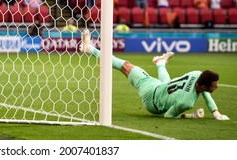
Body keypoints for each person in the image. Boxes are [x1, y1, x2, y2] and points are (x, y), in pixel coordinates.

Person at [80, 30, 230, 120]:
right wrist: (192, 115)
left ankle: (90, 49)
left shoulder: (197, 74)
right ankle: (89, 49)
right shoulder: (187, 102)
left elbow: (169, 114)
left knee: (128, 66)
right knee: (125, 66)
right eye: (214, 85)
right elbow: (169, 116)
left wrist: (214, 112)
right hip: (152, 94)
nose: (217, 87)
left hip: (156, 96)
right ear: (203, 85)